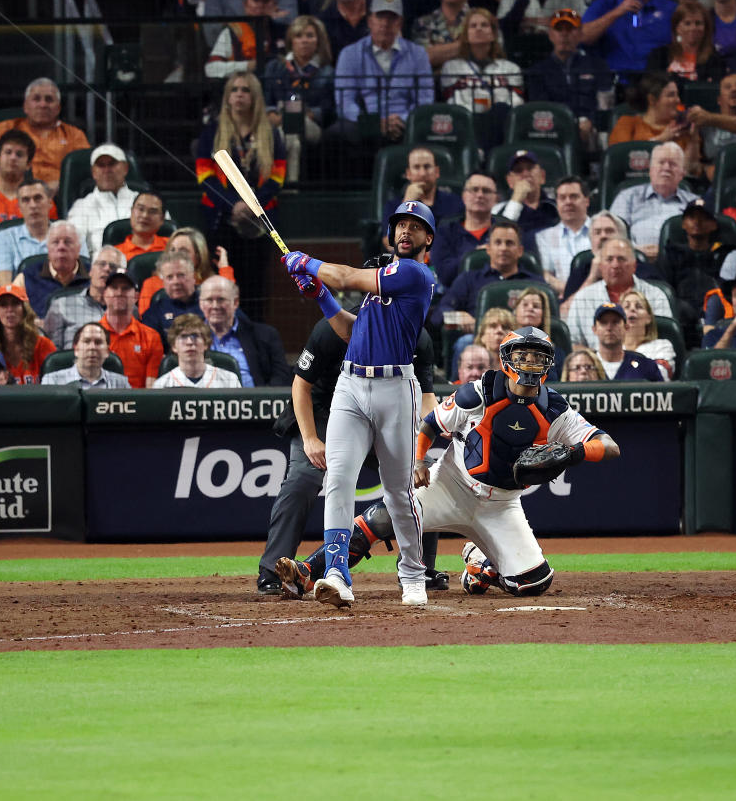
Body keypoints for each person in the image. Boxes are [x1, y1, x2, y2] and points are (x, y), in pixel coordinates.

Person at [277, 326, 621, 602]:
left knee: (534, 583)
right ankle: (308, 572)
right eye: (523, 355)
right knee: (382, 518)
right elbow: (430, 423)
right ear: (507, 359)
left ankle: (479, 564)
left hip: (501, 506)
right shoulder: (481, 391)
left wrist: (575, 453)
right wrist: (419, 460)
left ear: (548, 364)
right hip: (450, 484)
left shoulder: (554, 409)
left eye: (538, 357)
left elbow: (609, 446)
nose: (530, 363)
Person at [281, 199, 438, 608]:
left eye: (415, 226)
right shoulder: (384, 286)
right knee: (337, 480)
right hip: (351, 385)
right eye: (400, 224)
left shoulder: (415, 274)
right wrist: (319, 295)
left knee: (399, 492)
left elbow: (347, 276)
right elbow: (352, 332)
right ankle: (336, 572)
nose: (406, 231)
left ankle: (413, 574)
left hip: (395, 389)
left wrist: (307, 263)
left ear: (428, 239)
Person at [256, 313, 442, 595]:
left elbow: (426, 395)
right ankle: (274, 572)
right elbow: (300, 385)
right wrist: (309, 439)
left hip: (381, 414)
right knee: (304, 479)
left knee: (419, 477)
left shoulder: (415, 334)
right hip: (322, 413)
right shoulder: (335, 328)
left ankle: (422, 568)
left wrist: (423, 447)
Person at [196, 71, 286, 319]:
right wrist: (231, 205)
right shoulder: (212, 131)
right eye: (234, 90)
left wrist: (251, 205)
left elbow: (277, 177)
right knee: (223, 280)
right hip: (221, 220)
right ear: (227, 97)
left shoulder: (271, 133)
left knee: (256, 284)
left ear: (255, 97)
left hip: (260, 221)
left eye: (245, 90)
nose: (239, 95)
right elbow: (204, 175)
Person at [327, 0, 433, 148]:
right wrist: (374, 122)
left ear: (400, 23)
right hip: (365, 123)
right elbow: (345, 102)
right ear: (370, 21)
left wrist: (402, 120)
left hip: (407, 123)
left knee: (429, 128)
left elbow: (424, 100)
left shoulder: (418, 54)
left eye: (392, 18)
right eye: (380, 17)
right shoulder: (349, 54)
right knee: (336, 133)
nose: (385, 24)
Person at [524, 9, 616, 149]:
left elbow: (605, 105)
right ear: (550, 34)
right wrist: (569, 123)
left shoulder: (598, 66)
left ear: (580, 34)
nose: (564, 34)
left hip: (591, 129)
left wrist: (592, 122)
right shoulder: (538, 70)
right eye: (558, 29)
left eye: (570, 29)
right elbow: (540, 107)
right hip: (552, 128)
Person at [261, 14, 336, 182]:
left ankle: (273, 185)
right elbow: (266, 100)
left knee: (292, 126)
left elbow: (328, 109)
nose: (304, 41)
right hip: (278, 122)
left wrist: (309, 114)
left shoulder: (327, 72)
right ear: (291, 41)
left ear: (318, 41)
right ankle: (291, 187)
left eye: (310, 36)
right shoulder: (274, 67)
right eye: (299, 36)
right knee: (291, 139)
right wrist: (271, 113)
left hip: (310, 126)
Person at [565, 237, 672, 348]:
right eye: (609, 259)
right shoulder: (583, 297)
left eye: (621, 259)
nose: (615, 265)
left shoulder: (656, 296)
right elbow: (574, 342)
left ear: (634, 266)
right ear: (600, 266)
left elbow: (666, 337)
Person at [441, 8, 524, 149]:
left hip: (501, 124)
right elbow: (453, 103)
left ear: (493, 34)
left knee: (502, 109)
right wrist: (481, 108)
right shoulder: (451, 67)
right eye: (473, 26)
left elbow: (516, 103)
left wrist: (489, 108)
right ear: (465, 35)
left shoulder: (511, 68)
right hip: (466, 124)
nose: (479, 29)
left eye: (484, 25)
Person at [0, 78, 89, 192]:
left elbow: (84, 172)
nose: (43, 104)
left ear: (58, 108)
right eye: (36, 99)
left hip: (56, 194)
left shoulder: (74, 134)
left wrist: (59, 185)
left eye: (49, 99)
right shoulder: (7, 127)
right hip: (13, 191)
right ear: (25, 106)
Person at [440, 220, 540, 333]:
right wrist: (458, 317)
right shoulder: (468, 280)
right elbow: (440, 313)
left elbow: (551, 318)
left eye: (509, 243)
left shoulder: (536, 284)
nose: (503, 248)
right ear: (488, 249)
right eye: (498, 242)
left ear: (520, 251)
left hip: (524, 343)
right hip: (477, 342)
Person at [609, 142, 699, 257]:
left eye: (672, 164)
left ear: (682, 173)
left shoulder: (694, 203)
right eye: (661, 162)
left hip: (680, 262)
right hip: (634, 260)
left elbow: (701, 240)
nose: (666, 168)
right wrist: (634, 250)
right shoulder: (627, 197)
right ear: (650, 170)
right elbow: (612, 234)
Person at [199, 275, 291, 387]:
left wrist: (263, 399)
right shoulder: (189, 337)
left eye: (221, 299)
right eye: (209, 300)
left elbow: (281, 376)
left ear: (236, 302)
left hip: (252, 401)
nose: (215, 306)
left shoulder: (265, 335)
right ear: (200, 303)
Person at [138, 227, 236, 316]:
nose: (176, 256)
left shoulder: (209, 282)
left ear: (198, 257)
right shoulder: (151, 284)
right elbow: (146, 323)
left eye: (183, 251)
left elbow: (229, 308)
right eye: (172, 250)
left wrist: (224, 268)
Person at [65, 144, 143, 257]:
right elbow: (73, 249)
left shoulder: (145, 202)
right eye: (101, 165)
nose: (107, 170)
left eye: (112, 164)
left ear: (125, 168)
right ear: (93, 172)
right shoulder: (82, 207)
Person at [43, 245, 126, 350]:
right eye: (101, 264)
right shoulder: (61, 305)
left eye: (113, 267)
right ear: (91, 271)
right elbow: (51, 356)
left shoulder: (130, 310)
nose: (106, 269)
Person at [380, 148, 464, 250]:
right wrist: (407, 204)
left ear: (436, 172)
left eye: (427, 167)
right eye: (416, 167)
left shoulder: (455, 202)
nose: (422, 173)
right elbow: (391, 245)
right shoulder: (393, 206)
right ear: (408, 174)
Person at [96, 270, 163, 388]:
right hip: (99, 400)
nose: (119, 292)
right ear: (105, 294)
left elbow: (151, 387)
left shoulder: (151, 337)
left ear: (136, 296)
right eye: (114, 287)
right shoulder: (91, 335)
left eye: (125, 288)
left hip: (138, 402)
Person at [9, 219, 89, 318]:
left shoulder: (93, 276)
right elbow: (11, 309)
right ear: (48, 248)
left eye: (67, 242)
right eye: (55, 242)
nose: (61, 247)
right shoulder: (26, 277)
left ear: (78, 249)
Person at [581, 0, 676, 77]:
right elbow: (583, 37)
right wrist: (618, 11)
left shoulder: (669, 9)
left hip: (656, 82)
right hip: (613, 80)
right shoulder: (604, 5)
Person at [646, 0, 728, 86]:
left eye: (698, 23)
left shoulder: (715, 59)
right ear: (677, 27)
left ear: (705, 28)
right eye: (687, 23)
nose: (693, 28)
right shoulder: (659, 55)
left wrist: (674, 78)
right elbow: (652, 85)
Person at [609, 72, 694, 154]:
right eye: (671, 95)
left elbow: (694, 166)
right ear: (652, 100)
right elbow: (618, 156)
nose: (678, 100)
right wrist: (660, 140)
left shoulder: (681, 127)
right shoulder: (628, 123)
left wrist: (695, 136)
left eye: (677, 95)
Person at [152, 313, 244, 388]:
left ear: (206, 343)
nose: (189, 342)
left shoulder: (229, 380)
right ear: (174, 346)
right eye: (183, 337)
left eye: (195, 336)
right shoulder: (162, 385)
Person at [535, 175, 592, 297]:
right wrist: (571, 292)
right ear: (557, 202)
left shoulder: (602, 229)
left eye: (574, 197)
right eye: (562, 198)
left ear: (587, 201)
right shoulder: (545, 237)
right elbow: (546, 275)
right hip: (562, 299)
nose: (568, 202)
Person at [0, 284, 54, 384]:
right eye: (4, 304)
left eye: (15, 304)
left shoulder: (43, 345)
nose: (9, 310)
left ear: (24, 309)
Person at [204, 0, 285, 80]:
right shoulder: (233, 31)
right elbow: (211, 69)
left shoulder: (282, 32)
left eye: (266, 0)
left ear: (275, 5)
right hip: (242, 87)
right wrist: (247, 66)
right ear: (245, 3)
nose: (260, 5)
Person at [558, 209, 630, 302]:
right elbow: (564, 312)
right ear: (591, 242)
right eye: (597, 232)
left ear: (623, 239)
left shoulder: (637, 264)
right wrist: (591, 278)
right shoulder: (581, 265)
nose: (603, 236)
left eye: (609, 231)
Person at [0, 180, 56, 282]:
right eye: (26, 200)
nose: (33, 205)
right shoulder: (5, 238)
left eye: (38, 198)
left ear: (50, 203)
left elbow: (82, 280)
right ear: (19, 207)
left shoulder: (71, 234)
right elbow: (4, 286)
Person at [41, 322, 130, 388]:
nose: (92, 347)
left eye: (98, 342)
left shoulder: (121, 384)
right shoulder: (52, 381)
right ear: (76, 349)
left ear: (107, 351)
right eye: (86, 341)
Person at [491, 150, 558, 237]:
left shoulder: (556, 207)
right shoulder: (497, 210)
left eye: (530, 168)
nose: (526, 174)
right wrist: (516, 200)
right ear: (509, 181)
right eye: (518, 170)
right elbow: (500, 237)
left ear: (542, 176)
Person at [590, 302, 665, 380]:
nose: (609, 328)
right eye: (604, 323)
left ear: (626, 327)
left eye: (615, 322)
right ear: (594, 329)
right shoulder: (583, 366)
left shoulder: (646, 367)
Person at [142, 252, 205, 342]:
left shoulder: (210, 304)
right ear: (163, 282)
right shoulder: (154, 313)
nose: (175, 282)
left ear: (193, 276)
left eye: (181, 275)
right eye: (169, 277)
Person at [0, 129, 36, 239]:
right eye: (8, 152)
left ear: (28, 164)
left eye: (19, 154)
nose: (13, 158)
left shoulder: (39, 198)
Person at [620, 288, 674, 378]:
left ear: (648, 318)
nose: (632, 309)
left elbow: (661, 376)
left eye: (639, 306)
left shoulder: (662, 346)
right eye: (627, 307)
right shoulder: (611, 349)